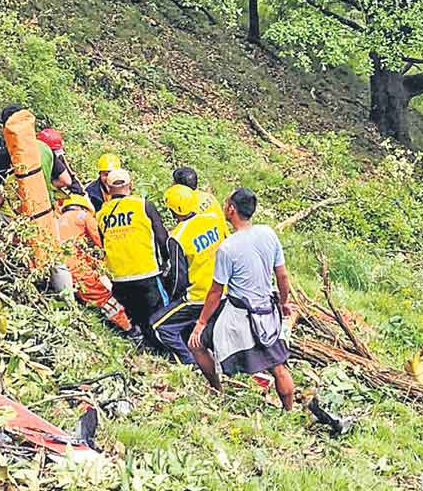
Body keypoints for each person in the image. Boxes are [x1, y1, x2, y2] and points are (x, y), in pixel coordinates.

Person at [188, 187, 296, 410]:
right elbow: (282, 274)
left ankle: (217, 389)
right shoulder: (268, 233)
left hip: (239, 315)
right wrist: (284, 302)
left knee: (196, 344)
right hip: (266, 310)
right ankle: (289, 411)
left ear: (231, 209)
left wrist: (201, 323)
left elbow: (216, 291)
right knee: (278, 366)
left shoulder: (228, 248)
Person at [96, 168, 177, 344]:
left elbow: (103, 244)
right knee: (161, 319)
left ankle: (145, 346)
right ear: (130, 185)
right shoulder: (143, 205)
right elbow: (162, 237)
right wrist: (166, 263)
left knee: (137, 318)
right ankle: (166, 352)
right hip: (146, 273)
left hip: (118, 279)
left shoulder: (101, 214)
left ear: (108, 189)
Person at [149, 184, 227, 364]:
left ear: (174, 211)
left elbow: (179, 277)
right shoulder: (213, 219)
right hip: (223, 290)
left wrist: (174, 295)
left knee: (159, 326)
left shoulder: (178, 238)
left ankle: (190, 361)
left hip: (198, 297)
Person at [55, 194, 136, 336]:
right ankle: (130, 329)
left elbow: (80, 250)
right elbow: (101, 241)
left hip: (60, 268)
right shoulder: (83, 216)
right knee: (103, 296)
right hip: (77, 268)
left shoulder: (59, 220)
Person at [0, 106, 81, 209]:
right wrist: (45, 184)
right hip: (47, 208)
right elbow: (66, 181)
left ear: (4, 128)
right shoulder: (44, 147)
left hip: (16, 214)